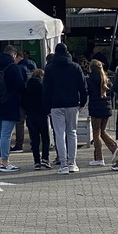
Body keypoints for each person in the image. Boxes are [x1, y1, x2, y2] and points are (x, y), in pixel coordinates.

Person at [43, 42, 88, 174]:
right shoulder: (75, 67)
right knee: (72, 133)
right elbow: (83, 87)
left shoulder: (50, 68)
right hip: (73, 104)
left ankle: (63, 164)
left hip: (55, 105)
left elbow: (46, 90)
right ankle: (72, 162)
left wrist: (47, 107)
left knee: (59, 134)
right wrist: (82, 103)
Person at [0, 45, 27, 172]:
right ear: (13, 55)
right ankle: (4, 162)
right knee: (5, 135)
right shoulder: (13, 68)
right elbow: (20, 86)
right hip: (9, 105)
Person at [86, 59, 117, 166]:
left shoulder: (90, 80)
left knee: (96, 133)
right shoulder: (106, 79)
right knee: (102, 131)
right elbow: (112, 93)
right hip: (106, 108)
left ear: (91, 68)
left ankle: (99, 158)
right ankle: (115, 149)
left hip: (96, 109)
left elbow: (87, 92)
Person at [21, 67, 51, 169]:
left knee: (34, 140)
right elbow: (47, 99)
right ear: (42, 76)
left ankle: (36, 161)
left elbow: (22, 102)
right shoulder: (43, 87)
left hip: (30, 116)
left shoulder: (26, 87)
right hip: (42, 115)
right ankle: (45, 159)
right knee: (45, 138)